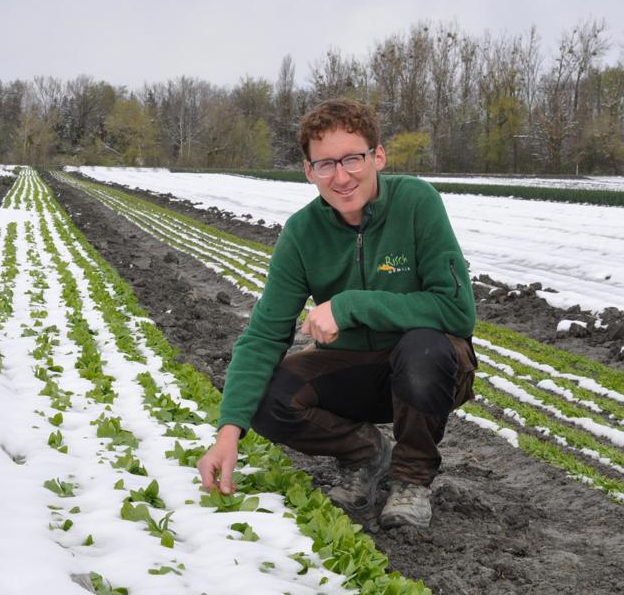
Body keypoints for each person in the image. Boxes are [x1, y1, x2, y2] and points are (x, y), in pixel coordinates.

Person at [197, 98, 476, 529]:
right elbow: (264, 335)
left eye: (352, 159)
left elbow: (457, 311)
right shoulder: (302, 232)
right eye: (325, 164)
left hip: (428, 368)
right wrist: (227, 433)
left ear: (377, 156)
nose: (341, 176)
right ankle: (365, 454)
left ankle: (411, 478)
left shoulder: (417, 203)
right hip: (354, 369)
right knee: (267, 395)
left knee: (423, 348)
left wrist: (349, 304)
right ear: (309, 171)